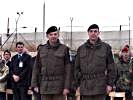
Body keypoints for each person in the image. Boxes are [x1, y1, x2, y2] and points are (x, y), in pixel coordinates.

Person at [74, 24, 116, 100]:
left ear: (98, 33)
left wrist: (110, 84)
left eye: (95, 31)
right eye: (91, 31)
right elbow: (76, 68)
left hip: (100, 87)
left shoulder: (106, 48)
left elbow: (111, 68)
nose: (93, 33)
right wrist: (78, 85)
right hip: (85, 87)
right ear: (88, 33)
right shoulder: (81, 49)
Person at [31, 26, 71, 100]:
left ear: (58, 35)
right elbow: (36, 67)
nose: (53, 36)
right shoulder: (42, 49)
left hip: (59, 87)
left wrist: (67, 87)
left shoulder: (64, 49)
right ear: (47, 36)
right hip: (45, 86)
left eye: (55, 34)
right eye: (51, 34)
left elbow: (68, 70)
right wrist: (34, 84)